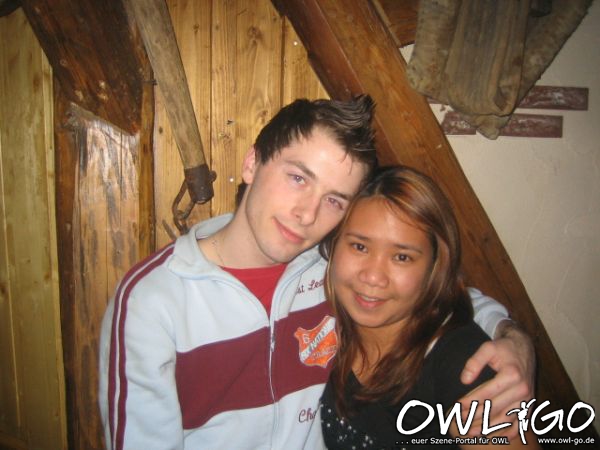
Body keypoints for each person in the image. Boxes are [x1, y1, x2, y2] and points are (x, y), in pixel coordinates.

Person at [99, 95, 533, 450]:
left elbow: (436, 294)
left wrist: (512, 338)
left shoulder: (333, 269)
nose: (307, 214)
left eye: (334, 200)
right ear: (252, 163)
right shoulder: (153, 301)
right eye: (298, 178)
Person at [319, 165, 539, 449]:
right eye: (360, 247)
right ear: (333, 245)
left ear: (434, 268)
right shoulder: (317, 314)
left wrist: (514, 336)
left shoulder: (464, 367)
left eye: (402, 257)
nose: (372, 277)